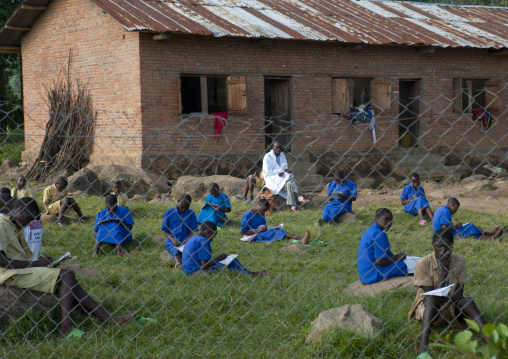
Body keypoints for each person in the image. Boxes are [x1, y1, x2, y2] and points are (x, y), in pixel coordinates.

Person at [0, 197, 137, 339]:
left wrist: (42, 263)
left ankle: (108, 319)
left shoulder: (13, 224)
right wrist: (35, 264)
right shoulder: (1, 224)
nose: (28, 224)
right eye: (28, 219)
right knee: (67, 275)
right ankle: (66, 330)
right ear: (20, 210)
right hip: (9, 273)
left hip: (19, 269)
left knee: (70, 281)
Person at [408, 228, 490, 359]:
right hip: (429, 309)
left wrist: (450, 299)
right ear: (433, 245)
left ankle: (491, 346)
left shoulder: (460, 261)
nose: (443, 250)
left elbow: (460, 291)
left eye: (447, 247)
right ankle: (422, 350)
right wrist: (444, 271)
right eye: (439, 246)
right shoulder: (422, 263)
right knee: (434, 299)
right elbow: (431, 295)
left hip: (451, 302)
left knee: (467, 301)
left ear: (452, 246)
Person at [182, 221, 267, 276]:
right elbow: (204, 266)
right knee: (231, 259)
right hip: (197, 273)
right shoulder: (204, 241)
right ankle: (250, 274)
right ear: (208, 232)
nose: (212, 239)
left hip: (188, 271)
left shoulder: (192, 238)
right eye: (213, 236)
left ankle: (248, 273)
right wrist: (219, 258)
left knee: (226, 259)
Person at [357, 208, 407, 284]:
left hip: (365, 274)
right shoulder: (379, 234)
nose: (389, 223)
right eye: (385, 219)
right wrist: (397, 257)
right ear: (377, 218)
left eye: (391, 221)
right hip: (375, 273)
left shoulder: (370, 230)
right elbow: (380, 261)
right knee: (411, 265)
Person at [262, 141, 310, 213]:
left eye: (280, 148)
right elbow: (267, 171)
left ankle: (293, 206)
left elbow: (285, 166)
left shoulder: (282, 155)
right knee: (291, 176)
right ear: (273, 147)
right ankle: (299, 197)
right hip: (271, 178)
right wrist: (278, 172)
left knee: (289, 183)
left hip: (282, 176)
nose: (279, 149)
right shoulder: (267, 156)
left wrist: (286, 170)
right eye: (277, 148)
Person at [240, 199, 310, 244]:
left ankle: (301, 239)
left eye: (265, 211)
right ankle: (301, 239)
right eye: (263, 210)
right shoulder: (248, 215)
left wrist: (272, 227)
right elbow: (242, 232)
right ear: (259, 205)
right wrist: (259, 231)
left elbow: (264, 227)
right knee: (276, 232)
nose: (264, 212)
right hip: (253, 235)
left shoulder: (261, 213)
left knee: (276, 230)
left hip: (260, 232)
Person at [433, 198, 502, 240]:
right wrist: (456, 227)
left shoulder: (441, 209)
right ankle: (489, 234)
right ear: (452, 205)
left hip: (438, 235)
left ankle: (490, 236)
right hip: (444, 235)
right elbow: (444, 229)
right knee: (470, 226)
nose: (456, 211)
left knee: (468, 228)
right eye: (456, 208)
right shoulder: (446, 211)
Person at [161, 194, 199, 268]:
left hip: (186, 239)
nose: (184, 209)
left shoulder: (191, 213)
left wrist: (187, 239)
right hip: (172, 240)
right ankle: (179, 265)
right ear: (178, 201)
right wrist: (173, 240)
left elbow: (192, 231)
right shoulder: (169, 213)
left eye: (186, 208)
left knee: (192, 248)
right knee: (175, 250)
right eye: (182, 207)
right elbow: (166, 231)